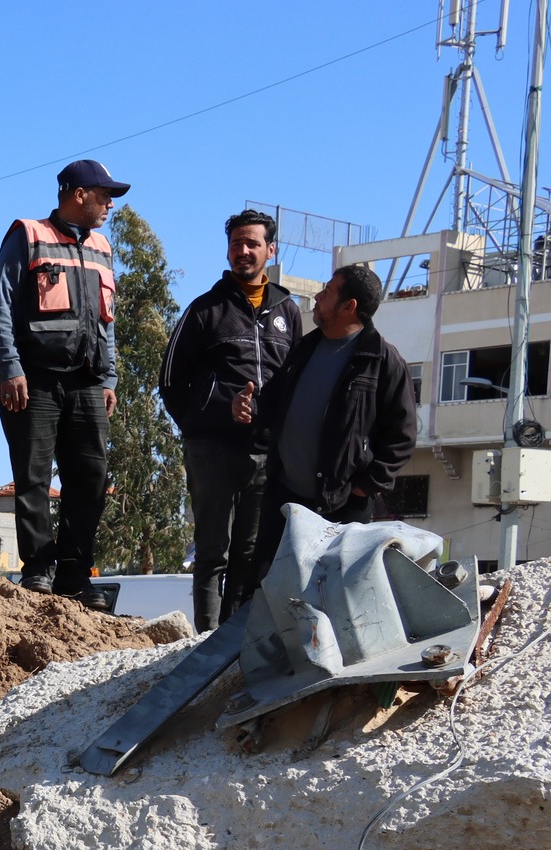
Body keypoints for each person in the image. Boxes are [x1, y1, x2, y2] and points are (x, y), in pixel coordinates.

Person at [0, 159, 130, 602]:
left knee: (90, 479)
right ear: (78, 194)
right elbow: (1, 305)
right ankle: (38, 570)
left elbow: (106, 321)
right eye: (104, 195)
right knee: (32, 477)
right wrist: (10, 366)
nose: (110, 204)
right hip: (36, 379)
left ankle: (74, 574)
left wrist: (109, 378)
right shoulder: (28, 235)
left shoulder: (102, 247)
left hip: (88, 382)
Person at [159, 208, 307, 631]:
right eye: (236, 243)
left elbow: (295, 381)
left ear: (270, 250)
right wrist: (216, 417)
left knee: (250, 555)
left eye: (252, 243)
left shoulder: (289, 312)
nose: (243, 251)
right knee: (212, 554)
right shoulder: (205, 310)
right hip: (212, 452)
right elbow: (170, 383)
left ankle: (234, 645)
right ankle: (205, 642)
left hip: (265, 455)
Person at [231, 262, 415, 593]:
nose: (317, 296)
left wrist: (365, 485)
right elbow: (271, 403)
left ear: (348, 306)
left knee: (329, 597)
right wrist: (249, 408)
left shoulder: (383, 362)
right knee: (265, 592)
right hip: (284, 500)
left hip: (342, 509)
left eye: (328, 292)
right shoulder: (304, 349)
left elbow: (402, 436)